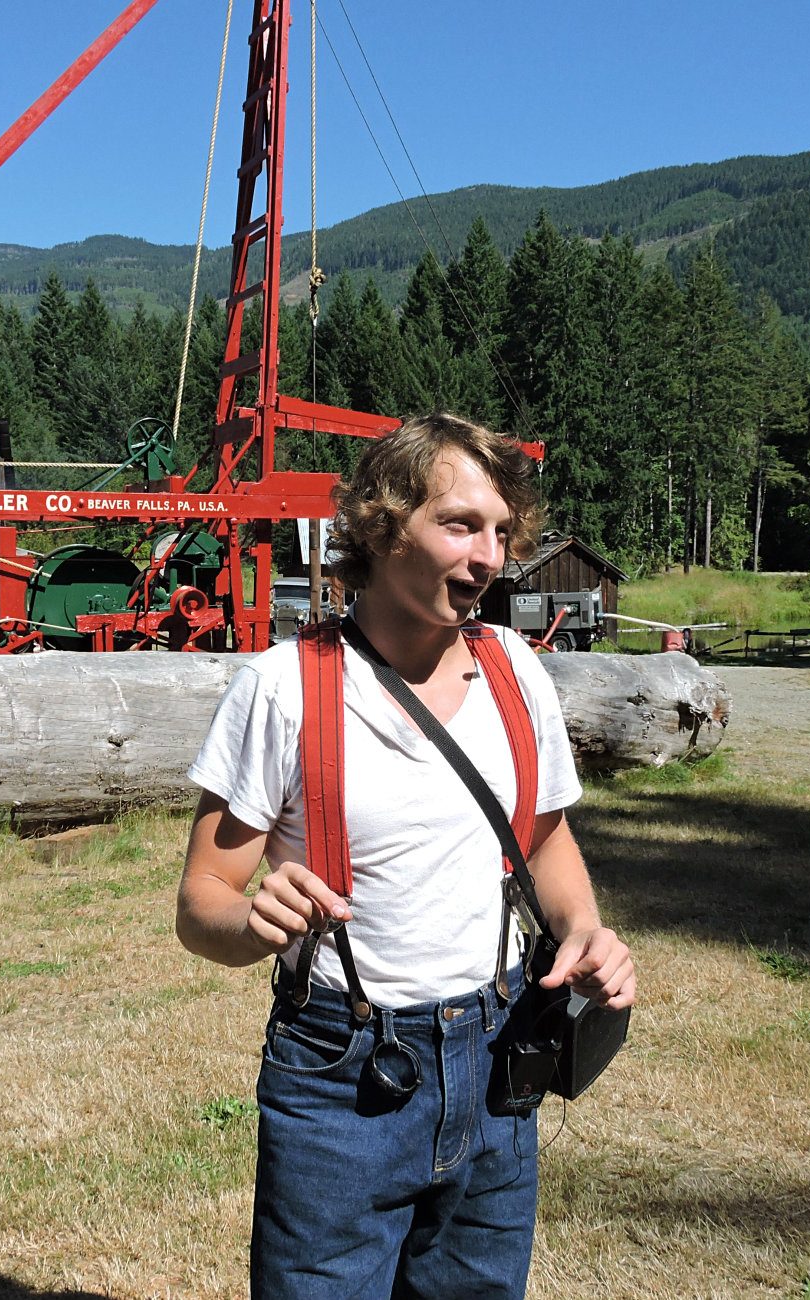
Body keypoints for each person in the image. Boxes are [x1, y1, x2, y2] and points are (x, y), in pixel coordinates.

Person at [176, 413, 636, 1299]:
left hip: (501, 1059)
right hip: (345, 1080)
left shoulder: (514, 670)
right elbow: (204, 900)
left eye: (501, 531)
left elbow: (541, 835)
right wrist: (249, 917)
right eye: (461, 524)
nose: (490, 556)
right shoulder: (282, 688)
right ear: (384, 527)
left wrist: (583, 928)